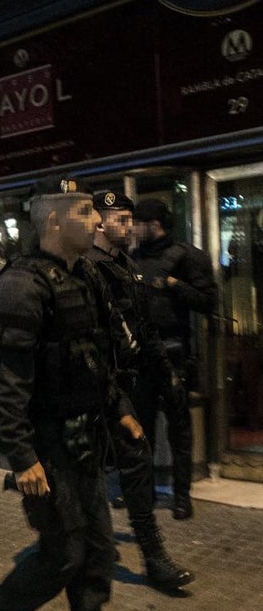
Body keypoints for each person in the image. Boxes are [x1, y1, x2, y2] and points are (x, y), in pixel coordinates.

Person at [0, 177, 149, 611]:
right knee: (64, 553)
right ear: (53, 220)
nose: (99, 220)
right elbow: (3, 385)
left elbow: (99, 357)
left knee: (98, 549)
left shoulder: (88, 277)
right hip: (46, 447)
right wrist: (22, 456)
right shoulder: (19, 287)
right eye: (86, 211)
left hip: (86, 439)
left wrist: (119, 409)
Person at [87, 191, 193, 591]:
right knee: (98, 467)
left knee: (131, 460)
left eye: (130, 219)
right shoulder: (87, 269)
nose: (127, 226)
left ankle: (152, 558)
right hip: (98, 388)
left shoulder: (127, 267)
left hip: (126, 384)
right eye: (118, 219)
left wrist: (166, 374)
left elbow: (145, 331)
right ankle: (103, 544)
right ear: (98, 221)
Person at [132, 199, 217, 520]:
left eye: (137, 222)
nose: (132, 228)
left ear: (153, 224)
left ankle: (182, 496)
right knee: (141, 430)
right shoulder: (133, 258)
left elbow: (207, 301)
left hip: (173, 355)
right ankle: (144, 492)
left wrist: (174, 285)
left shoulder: (186, 256)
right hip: (141, 356)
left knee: (179, 430)